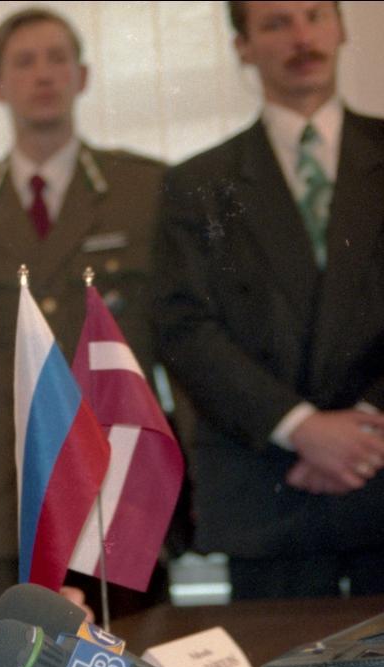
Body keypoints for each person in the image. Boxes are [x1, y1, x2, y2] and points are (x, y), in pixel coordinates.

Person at [0, 7, 168, 604]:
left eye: (58, 59)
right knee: (29, 650)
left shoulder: (143, 189)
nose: (43, 74)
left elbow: (177, 348)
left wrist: (186, 491)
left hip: (123, 480)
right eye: (24, 62)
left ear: (82, 77)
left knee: (143, 647)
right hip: (12, 487)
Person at [153, 0, 383, 599]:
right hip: (268, 495)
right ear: (243, 45)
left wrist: (362, 430)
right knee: (282, 662)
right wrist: (302, 428)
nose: (301, 37)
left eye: (314, 15)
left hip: (380, 468)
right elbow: (184, 329)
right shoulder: (197, 185)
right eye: (276, 23)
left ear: (341, 27)